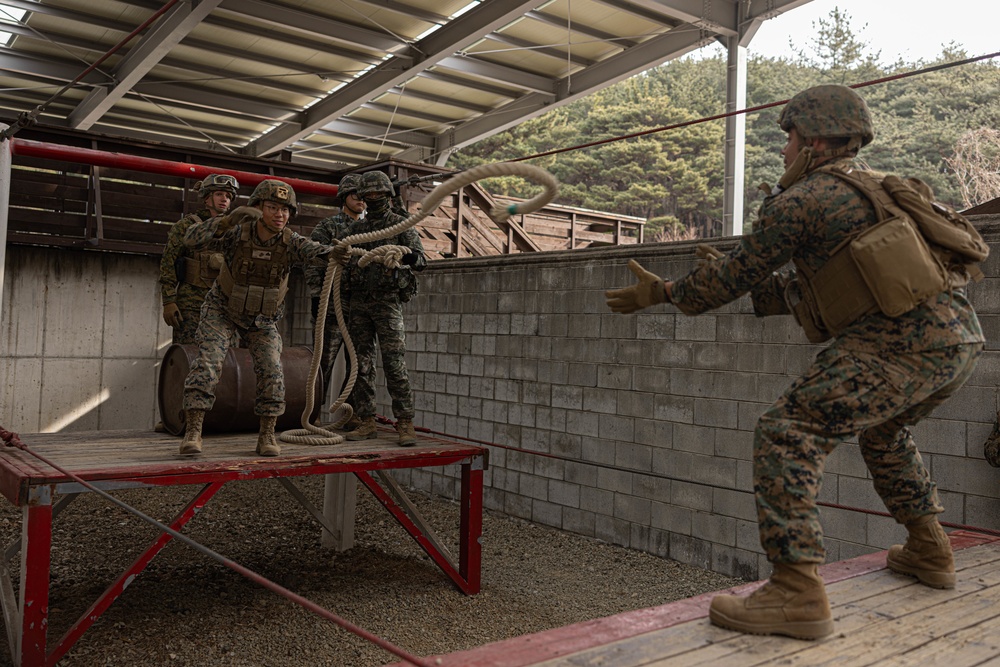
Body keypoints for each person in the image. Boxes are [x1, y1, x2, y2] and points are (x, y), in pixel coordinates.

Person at [606, 84, 985, 640]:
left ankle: (795, 591)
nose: (783, 150)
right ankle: (929, 548)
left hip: (896, 345)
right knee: (882, 433)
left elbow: (734, 278)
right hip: (956, 343)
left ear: (813, 141)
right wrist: (732, 277)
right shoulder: (879, 187)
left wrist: (663, 292)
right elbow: (810, 290)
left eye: (788, 137)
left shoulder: (804, 199)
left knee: (787, 431)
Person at [179, 179, 339, 458]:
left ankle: (266, 435)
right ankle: (193, 432)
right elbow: (190, 239)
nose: (279, 215)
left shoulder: (291, 243)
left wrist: (338, 253)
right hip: (222, 311)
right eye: (272, 207)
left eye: (285, 210)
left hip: (263, 320)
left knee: (273, 371)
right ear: (257, 208)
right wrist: (225, 222)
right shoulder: (236, 233)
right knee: (207, 364)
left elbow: (319, 252)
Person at [340, 170, 426, 446]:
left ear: (388, 195)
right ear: (364, 197)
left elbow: (422, 260)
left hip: (387, 303)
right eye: (370, 194)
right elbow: (340, 257)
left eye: (380, 193)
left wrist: (407, 255)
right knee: (361, 365)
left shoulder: (401, 225)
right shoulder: (356, 230)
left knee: (394, 363)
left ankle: (405, 422)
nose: (375, 198)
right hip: (359, 303)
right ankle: (366, 420)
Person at [304, 172, 366, 429]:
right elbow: (312, 261)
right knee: (323, 362)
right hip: (332, 304)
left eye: (364, 196)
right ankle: (312, 414)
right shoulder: (328, 227)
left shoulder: (370, 229)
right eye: (355, 195)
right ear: (344, 197)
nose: (361, 200)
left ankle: (350, 416)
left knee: (360, 365)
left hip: (361, 306)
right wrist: (319, 295)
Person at [159, 173, 239, 344]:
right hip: (191, 304)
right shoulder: (187, 226)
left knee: (228, 360)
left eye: (228, 196)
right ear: (206, 198)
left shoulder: (236, 231)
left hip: (225, 305)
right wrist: (169, 301)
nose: (224, 199)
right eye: (219, 194)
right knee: (189, 356)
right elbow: (168, 264)